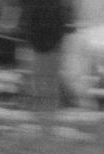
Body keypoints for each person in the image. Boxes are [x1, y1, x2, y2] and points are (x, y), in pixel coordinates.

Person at [17, 0, 73, 130]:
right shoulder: (51, 4)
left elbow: (61, 26)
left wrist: (38, 43)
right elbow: (29, 24)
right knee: (44, 80)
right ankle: (43, 114)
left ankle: (47, 114)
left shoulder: (53, 4)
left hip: (46, 48)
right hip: (44, 48)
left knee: (45, 80)